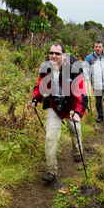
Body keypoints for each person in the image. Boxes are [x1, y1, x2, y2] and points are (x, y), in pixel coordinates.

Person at [29, 42, 88, 182]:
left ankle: (78, 152)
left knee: (75, 129)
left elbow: (81, 93)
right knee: (50, 137)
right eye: (51, 53)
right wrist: (35, 99)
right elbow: (39, 85)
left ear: (63, 55)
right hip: (54, 104)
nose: (53, 56)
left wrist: (78, 112)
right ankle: (51, 171)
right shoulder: (45, 68)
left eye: (57, 53)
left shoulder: (73, 69)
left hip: (71, 105)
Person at [83, 40, 104, 125]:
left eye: (99, 47)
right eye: (96, 47)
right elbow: (85, 69)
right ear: (94, 47)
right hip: (96, 83)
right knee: (98, 101)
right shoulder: (89, 58)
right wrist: (86, 77)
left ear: (103, 47)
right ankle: (100, 116)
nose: (98, 48)